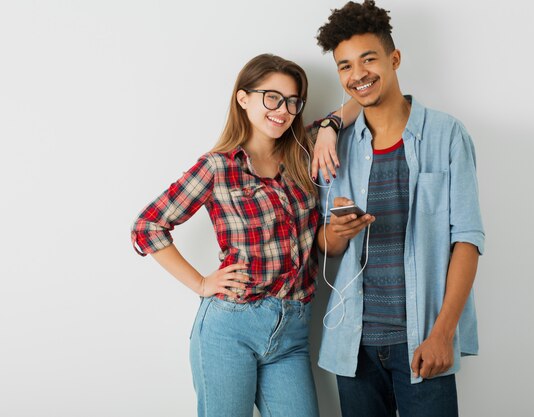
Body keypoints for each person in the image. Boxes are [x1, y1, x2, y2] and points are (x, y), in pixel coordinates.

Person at [312, 1, 486, 416]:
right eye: (345, 66)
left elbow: (467, 238)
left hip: (423, 343)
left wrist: (443, 334)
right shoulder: (335, 148)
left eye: (368, 59)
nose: (358, 75)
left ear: (394, 58)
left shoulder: (446, 135)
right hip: (353, 349)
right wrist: (336, 233)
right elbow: (325, 243)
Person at [130, 54, 321, 417]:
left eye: (293, 101)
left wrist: (326, 127)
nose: (283, 110)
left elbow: (351, 111)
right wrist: (202, 283)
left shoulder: (301, 155)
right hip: (230, 328)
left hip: (293, 332)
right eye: (272, 97)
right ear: (243, 98)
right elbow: (147, 226)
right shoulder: (218, 167)